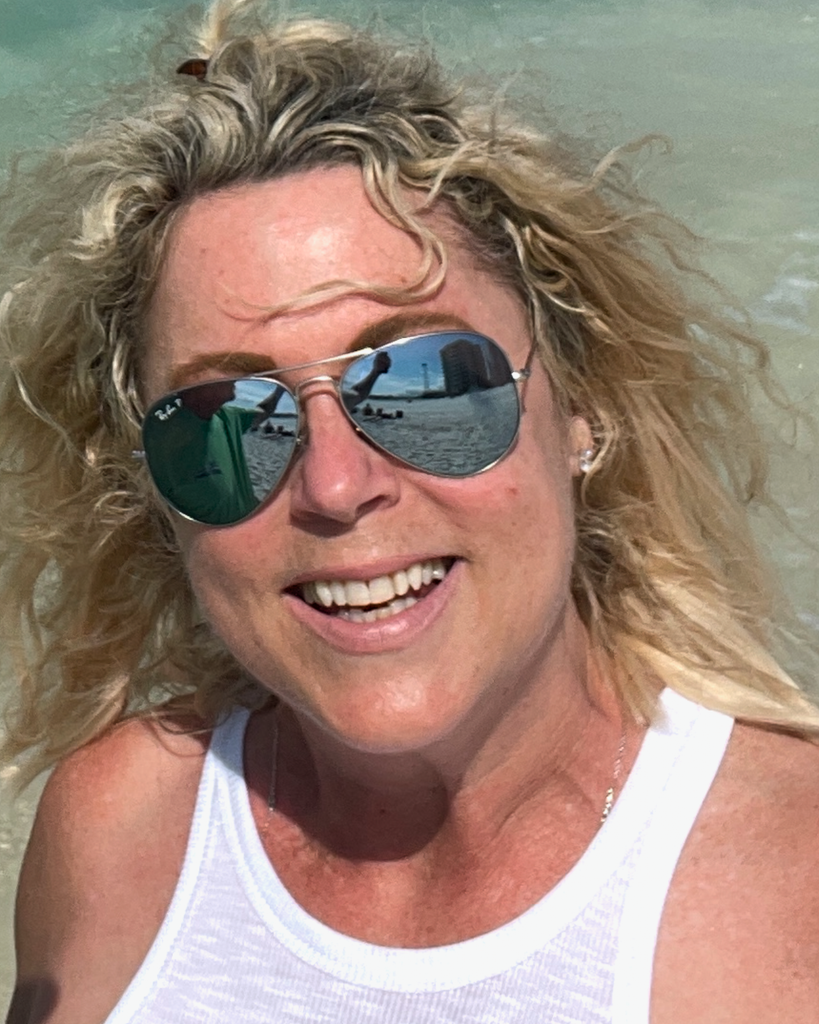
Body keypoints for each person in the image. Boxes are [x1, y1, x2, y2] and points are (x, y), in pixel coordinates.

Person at [0, 2, 817, 1021]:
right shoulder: (118, 832)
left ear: (583, 408)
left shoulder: (791, 893)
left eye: (426, 383)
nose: (337, 486)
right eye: (227, 423)